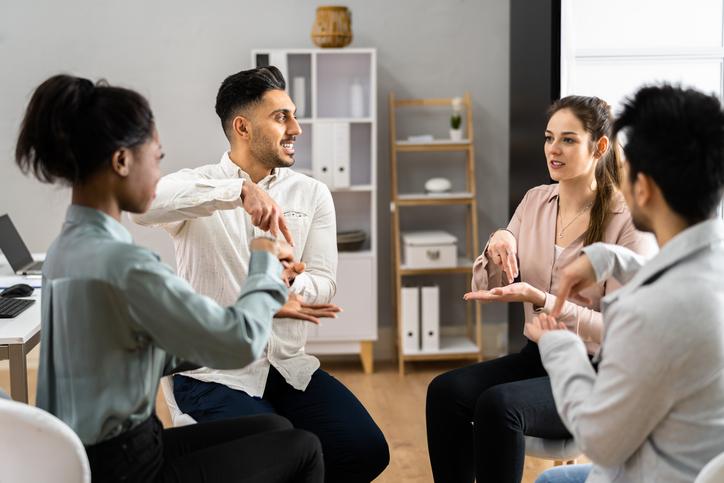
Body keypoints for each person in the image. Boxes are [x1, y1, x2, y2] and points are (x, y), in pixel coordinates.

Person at [15, 74, 325, 483]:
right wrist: (264, 261)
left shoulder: (65, 249)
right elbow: (239, 344)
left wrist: (249, 310)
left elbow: (139, 348)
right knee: (304, 448)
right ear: (122, 161)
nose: (159, 174)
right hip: (131, 468)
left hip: (90, 454)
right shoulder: (125, 264)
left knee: (274, 429)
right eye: (157, 158)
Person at [133, 66, 389, 483]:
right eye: (281, 117)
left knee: (365, 449)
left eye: (294, 115)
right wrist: (236, 193)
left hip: (286, 367)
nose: (297, 129)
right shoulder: (199, 186)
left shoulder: (312, 193)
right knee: (281, 449)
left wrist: (291, 282)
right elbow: (145, 204)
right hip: (213, 374)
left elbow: (324, 282)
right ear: (242, 127)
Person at [426, 95, 657, 482]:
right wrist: (496, 243)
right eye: (550, 138)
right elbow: (489, 283)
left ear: (599, 146)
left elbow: (623, 332)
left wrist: (543, 300)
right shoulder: (535, 201)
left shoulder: (627, 221)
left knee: (499, 406)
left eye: (568, 140)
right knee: (445, 392)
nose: (553, 149)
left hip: (601, 374)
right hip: (538, 358)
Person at [529, 84, 724, 483]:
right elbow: (680, 277)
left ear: (643, 187)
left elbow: (601, 442)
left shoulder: (649, 315)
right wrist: (606, 258)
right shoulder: (711, 268)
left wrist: (559, 346)